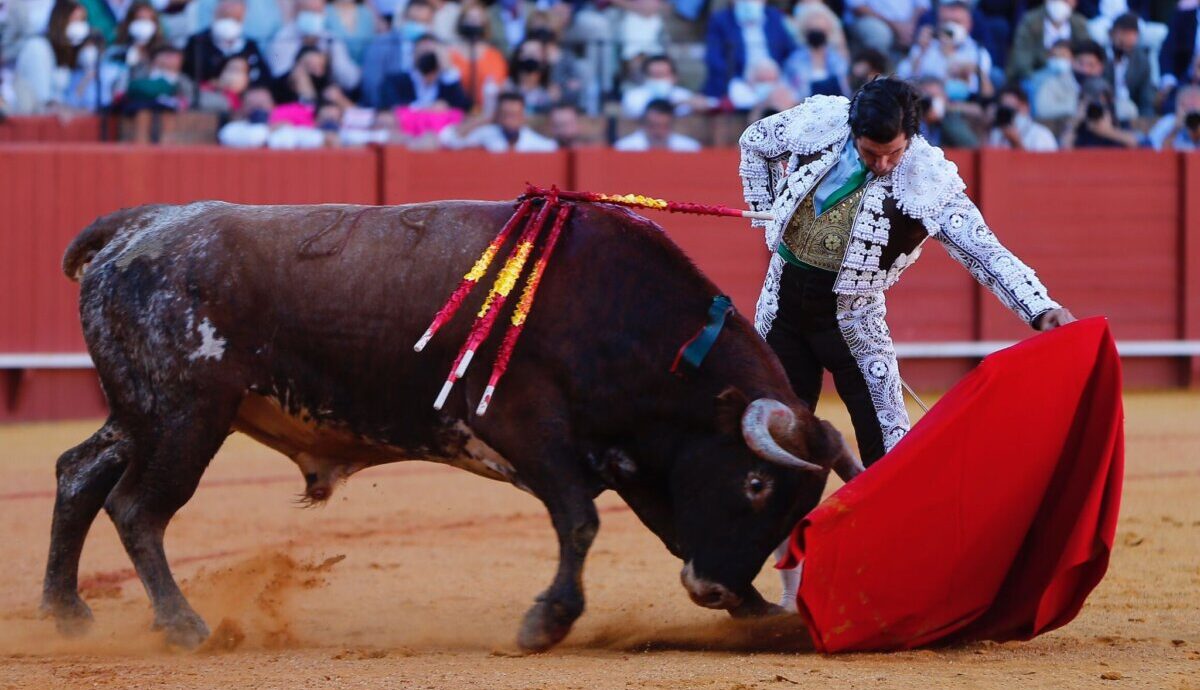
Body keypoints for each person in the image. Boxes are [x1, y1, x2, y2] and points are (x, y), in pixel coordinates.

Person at [738, 79, 1075, 611]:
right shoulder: (822, 122)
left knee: (892, 457)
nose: (883, 165)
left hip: (853, 322)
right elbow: (755, 141)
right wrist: (765, 213)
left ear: (910, 139)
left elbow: (982, 250)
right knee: (779, 453)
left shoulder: (928, 179)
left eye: (892, 153)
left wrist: (1040, 306)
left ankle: (897, 583)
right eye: (871, 153)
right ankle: (793, 594)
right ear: (852, 131)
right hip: (781, 311)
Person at [702, 0, 796, 98]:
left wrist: (775, 75)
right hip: (739, 83)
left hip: (775, 80)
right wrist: (742, 81)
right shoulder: (720, 20)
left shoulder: (775, 16)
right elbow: (714, 58)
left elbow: (790, 51)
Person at [268, 0, 361, 93]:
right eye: (309, 11)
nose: (313, 16)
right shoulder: (282, 39)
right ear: (296, 11)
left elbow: (351, 80)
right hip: (293, 100)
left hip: (326, 100)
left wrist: (331, 60)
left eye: (317, 11)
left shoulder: (331, 40)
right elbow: (278, 76)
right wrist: (302, 64)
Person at [181, 0, 269, 86]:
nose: (229, 22)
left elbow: (262, 80)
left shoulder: (250, 47)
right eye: (225, 16)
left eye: (235, 18)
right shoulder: (197, 42)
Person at [438, 90, 558, 151]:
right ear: (498, 116)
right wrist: (486, 118)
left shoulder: (533, 140)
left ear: (522, 116)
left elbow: (552, 148)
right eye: (505, 115)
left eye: (514, 115)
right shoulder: (488, 134)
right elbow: (450, 139)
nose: (510, 121)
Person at [1007, 0, 1090, 84]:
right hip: (1035, 77)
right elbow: (1022, 59)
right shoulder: (1030, 21)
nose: (1060, 3)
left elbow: (1087, 54)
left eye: (1065, 0)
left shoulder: (1080, 24)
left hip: (1073, 79)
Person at [382, 33, 470, 109]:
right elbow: (391, 107)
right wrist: (427, 108)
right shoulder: (395, 81)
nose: (427, 57)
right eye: (423, 51)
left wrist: (447, 69)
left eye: (430, 52)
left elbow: (463, 107)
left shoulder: (447, 83)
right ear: (413, 54)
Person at [785, 2, 850, 99]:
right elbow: (794, 92)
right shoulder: (795, 60)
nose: (817, 32)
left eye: (820, 30)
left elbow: (845, 89)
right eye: (813, 29)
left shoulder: (837, 59)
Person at [621, 54, 711, 119]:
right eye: (653, 75)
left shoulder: (684, 95)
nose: (658, 80)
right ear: (645, 77)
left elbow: (706, 106)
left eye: (662, 75)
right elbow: (639, 112)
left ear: (674, 77)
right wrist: (675, 104)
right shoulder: (633, 96)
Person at [1104, 12, 1156, 121]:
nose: (1128, 38)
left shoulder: (1142, 60)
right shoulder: (1101, 55)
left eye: (1132, 34)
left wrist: (1145, 120)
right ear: (1113, 34)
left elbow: (1145, 97)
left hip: (1132, 111)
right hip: (1104, 109)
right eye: (1123, 33)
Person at [986, 85, 1059, 150]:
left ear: (1025, 107)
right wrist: (986, 129)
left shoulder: (1041, 135)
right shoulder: (996, 133)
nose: (1007, 115)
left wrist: (1016, 142)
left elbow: (1042, 164)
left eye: (1012, 111)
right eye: (1003, 111)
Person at [614, 97, 702, 151]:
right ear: (643, 123)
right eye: (653, 126)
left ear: (672, 124)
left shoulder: (689, 148)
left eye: (664, 126)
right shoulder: (624, 148)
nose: (658, 132)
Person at [1148, 83, 1200, 149]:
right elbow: (1153, 149)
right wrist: (1175, 129)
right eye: (1186, 106)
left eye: (1195, 107)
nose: (1191, 112)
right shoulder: (1168, 122)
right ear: (1177, 107)